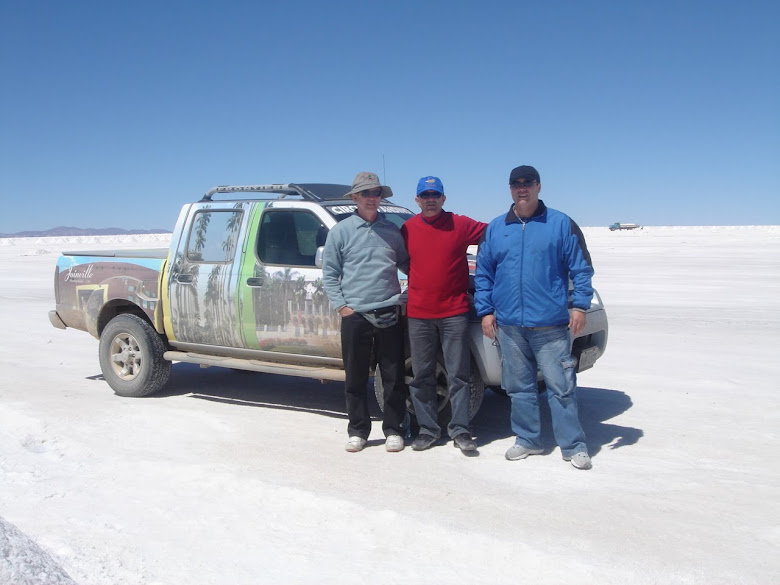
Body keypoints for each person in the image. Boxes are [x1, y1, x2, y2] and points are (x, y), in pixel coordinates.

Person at [474, 165, 595, 470]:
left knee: (561, 387)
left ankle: (573, 445)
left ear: (539, 186)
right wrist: (486, 311)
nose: (522, 188)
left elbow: (581, 269)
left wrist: (579, 306)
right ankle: (528, 439)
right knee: (519, 388)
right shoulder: (497, 227)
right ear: (510, 189)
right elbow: (484, 273)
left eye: (528, 183)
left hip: (551, 325)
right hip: (510, 325)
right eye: (516, 184)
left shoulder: (560, 224)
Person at [322, 172, 410, 453]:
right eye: (366, 194)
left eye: (376, 193)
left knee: (393, 375)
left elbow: (410, 266)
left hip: (389, 311)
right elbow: (330, 273)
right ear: (355, 198)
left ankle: (394, 430)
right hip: (355, 315)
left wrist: (408, 295)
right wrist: (342, 307)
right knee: (356, 376)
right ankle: (358, 430)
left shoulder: (392, 232)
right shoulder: (341, 231)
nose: (372, 199)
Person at [401, 176, 487, 454]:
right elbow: (400, 260)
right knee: (422, 375)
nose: (430, 199)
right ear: (417, 200)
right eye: (424, 195)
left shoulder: (460, 224)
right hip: (419, 314)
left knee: (458, 375)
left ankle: (460, 430)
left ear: (443, 198)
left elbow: (494, 234)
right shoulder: (408, 229)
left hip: (454, 313)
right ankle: (427, 430)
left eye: (435, 194)